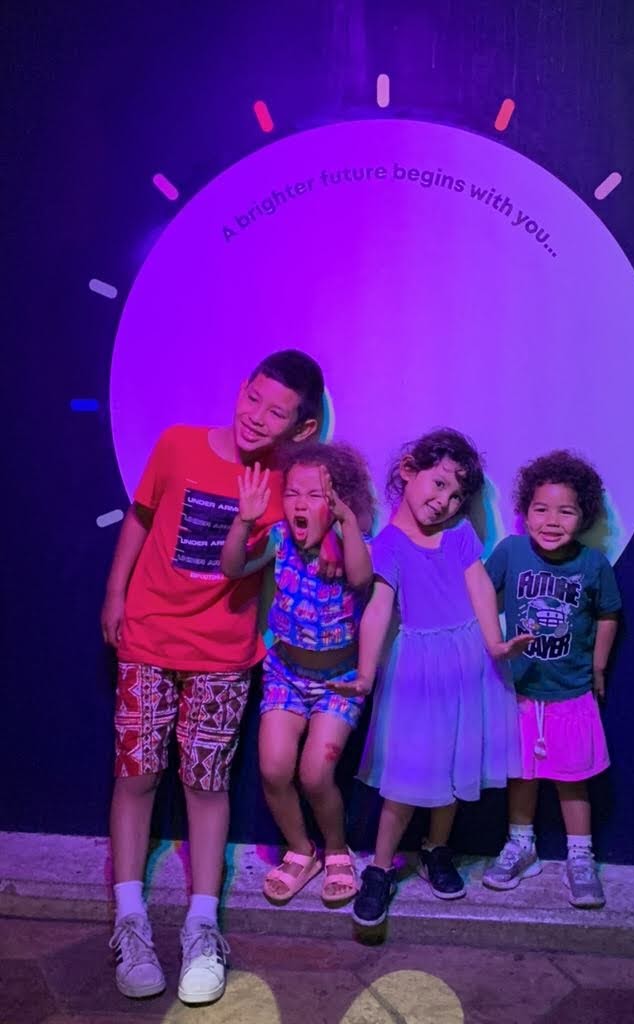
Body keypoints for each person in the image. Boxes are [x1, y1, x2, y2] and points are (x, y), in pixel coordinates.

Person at [102, 350, 324, 1003]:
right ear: (242, 388)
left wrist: (255, 519)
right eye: (253, 398)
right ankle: (129, 921)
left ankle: (203, 927)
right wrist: (115, 592)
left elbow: (240, 568)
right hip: (147, 638)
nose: (256, 416)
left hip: (223, 656)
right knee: (136, 776)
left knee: (205, 784)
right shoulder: (177, 445)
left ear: (302, 427)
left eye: (277, 412)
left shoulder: (286, 486)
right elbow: (141, 519)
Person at [330, 428, 532, 928]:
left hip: (468, 661)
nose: (445, 501)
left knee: (456, 764)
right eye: (439, 484)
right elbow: (378, 610)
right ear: (408, 470)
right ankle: (380, 868)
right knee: (406, 777)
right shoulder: (388, 545)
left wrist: (495, 644)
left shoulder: (459, 534)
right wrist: (364, 674)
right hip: (418, 670)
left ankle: (436, 849)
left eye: (457, 494)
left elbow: (480, 587)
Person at [221, 441, 374, 908]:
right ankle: (301, 850)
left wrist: (346, 525)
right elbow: (232, 567)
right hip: (285, 675)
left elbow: (361, 580)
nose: (299, 504)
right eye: (292, 493)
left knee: (315, 773)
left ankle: (336, 850)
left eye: (314, 494)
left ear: (339, 500)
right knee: (273, 768)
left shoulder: (351, 545)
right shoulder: (278, 539)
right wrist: (244, 520)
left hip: (338, 682)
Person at [482, 450, 621, 909]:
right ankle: (521, 845)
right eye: (541, 509)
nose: (552, 521)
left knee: (572, 778)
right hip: (519, 691)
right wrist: (491, 645)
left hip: (571, 693)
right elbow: (481, 595)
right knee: (522, 774)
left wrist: (598, 666)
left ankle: (580, 857)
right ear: (525, 512)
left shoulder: (593, 564)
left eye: (566, 511)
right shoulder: (511, 551)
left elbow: (608, 614)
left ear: (585, 516)